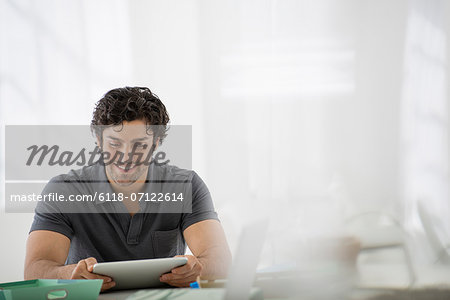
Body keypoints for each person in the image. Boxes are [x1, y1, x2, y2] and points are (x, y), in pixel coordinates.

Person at [24, 87, 232, 291]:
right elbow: (35, 270)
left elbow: (221, 261)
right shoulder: (64, 191)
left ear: (156, 142)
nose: (125, 156)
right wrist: (69, 275)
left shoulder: (186, 185)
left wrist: (199, 269)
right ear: (98, 140)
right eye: (115, 143)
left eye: (139, 145)